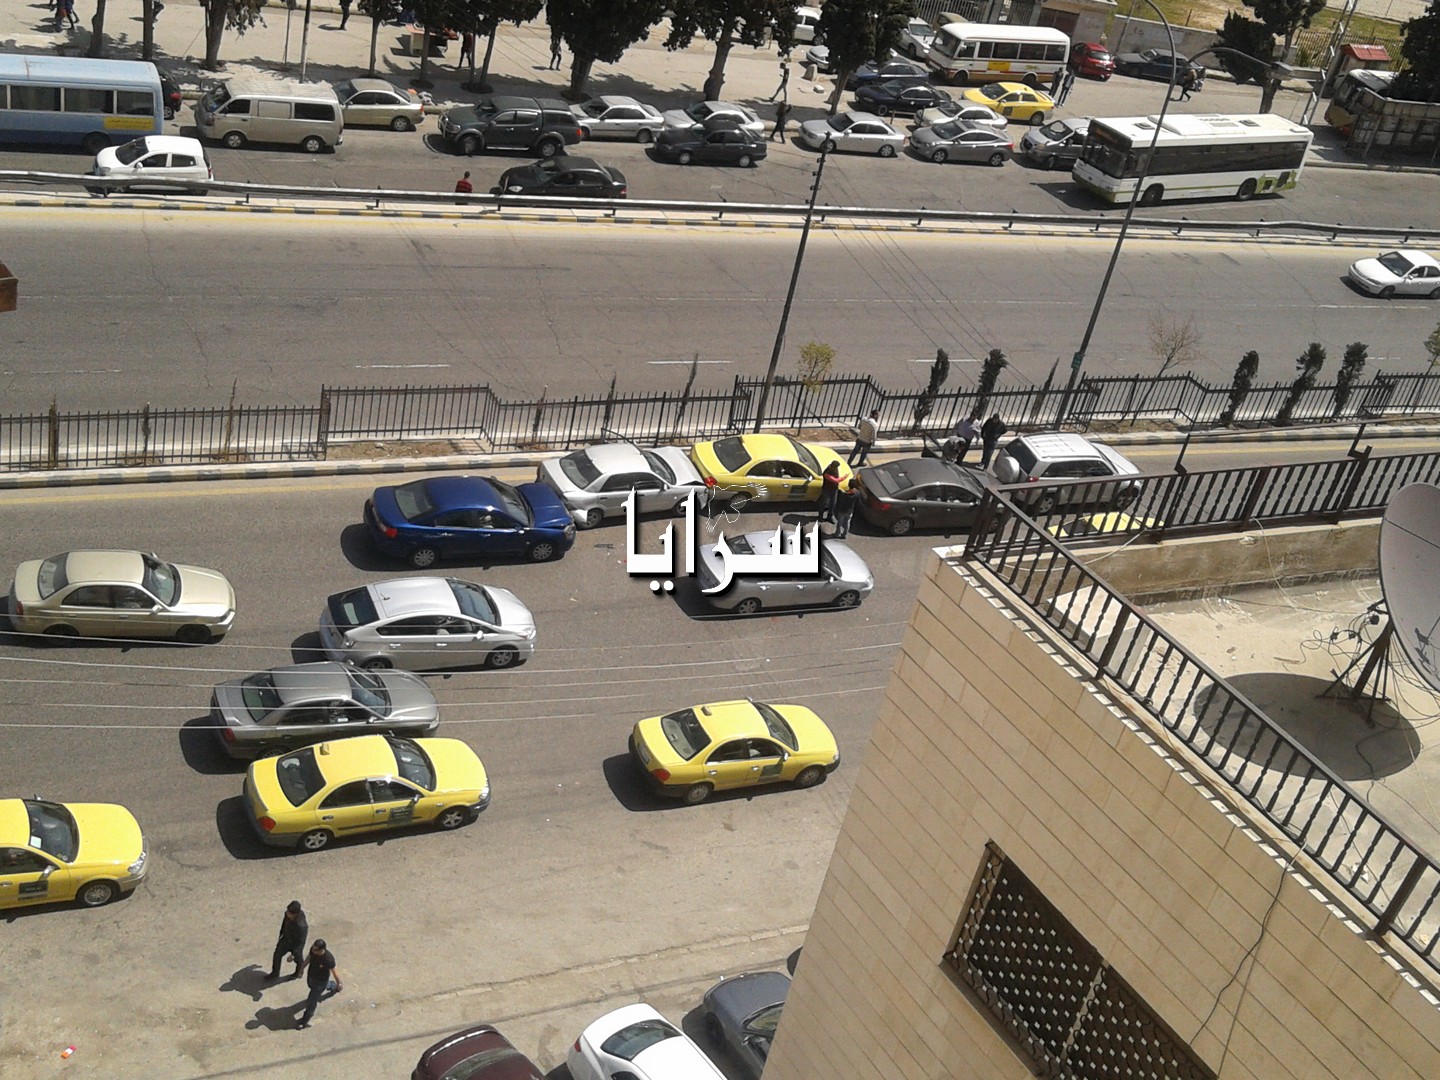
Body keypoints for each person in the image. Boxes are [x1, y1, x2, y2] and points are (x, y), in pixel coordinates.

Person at [296, 939, 342, 1029]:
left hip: (321, 982)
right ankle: (333, 986)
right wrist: (302, 968)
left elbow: (334, 971)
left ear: (322, 950)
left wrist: (339, 982)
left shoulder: (328, 959)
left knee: (311, 1000)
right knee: (313, 987)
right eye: (313, 948)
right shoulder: (313, 951)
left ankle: (305, 1019)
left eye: (316, 950)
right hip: (311, 977)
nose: (313, 950)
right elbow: (309, 958)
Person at [267, 901, 308, 981]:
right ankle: (275, 973)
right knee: (277, 954)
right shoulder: (288, 913)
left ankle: (298, 972)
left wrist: (293, 954)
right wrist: (281, 934)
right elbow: (284, 923)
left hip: (296, 943)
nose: (287, 913)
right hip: (286, 938)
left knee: (298, 958)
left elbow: (301, 942)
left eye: (289, 913)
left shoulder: (302, 926)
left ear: (295, 914)